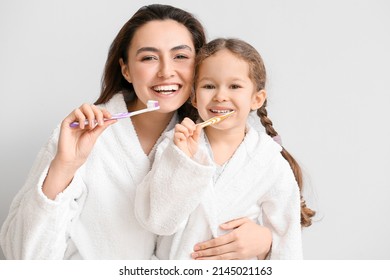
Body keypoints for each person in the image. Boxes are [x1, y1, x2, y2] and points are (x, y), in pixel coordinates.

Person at [0, 5, 272, 259]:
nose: (166, 71)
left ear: (199, 67)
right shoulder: (81, 138)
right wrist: (64, 166)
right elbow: (23, 255)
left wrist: (267, 242)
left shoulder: (214, 141)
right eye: (149, 58)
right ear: (126, 70)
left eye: (180, 56)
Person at [134, 38, 315, 259]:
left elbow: (288, 244)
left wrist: (267, 244)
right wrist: (182, 161)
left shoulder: (269, 161)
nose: (220, 96)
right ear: (194, 96)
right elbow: (158, 221)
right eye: (209, 86)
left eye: (235, 86)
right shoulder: (174, 145)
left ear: (257, 99)